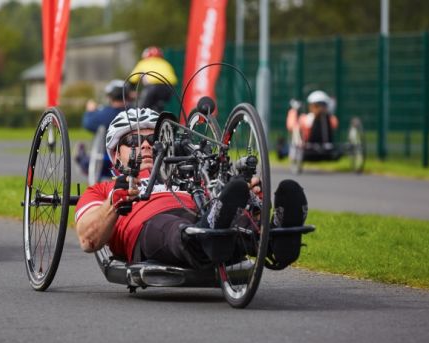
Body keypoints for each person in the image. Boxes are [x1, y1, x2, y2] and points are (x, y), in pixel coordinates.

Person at [75, 108, 309, 270]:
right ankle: (206, 239)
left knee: (227, 214)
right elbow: (88, 239)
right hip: (148, 225)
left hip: (202, 214)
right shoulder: (102, 189)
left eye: (153, 140)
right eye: (134, 141)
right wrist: (113, 203)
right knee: (172, 227)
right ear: (116, 154)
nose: (145, 146)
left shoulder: (186, 175)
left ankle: (276, 238)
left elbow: (221, 202)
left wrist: (249, 201)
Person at [76, 79, 132, 180]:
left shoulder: (105, 113)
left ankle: (80, 155)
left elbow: (88, 124)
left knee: (84, 160)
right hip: (130, 160)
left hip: (106, 160)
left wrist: (90, 111)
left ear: (110, 97)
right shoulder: (134, 111)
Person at [128, 46, 178, 113]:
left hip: (152, 87)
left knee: (142, 109)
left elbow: (133, 79)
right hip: (169, 88)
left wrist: (130, 90)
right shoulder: (166, 63)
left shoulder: (143, 63)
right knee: (158, 106)